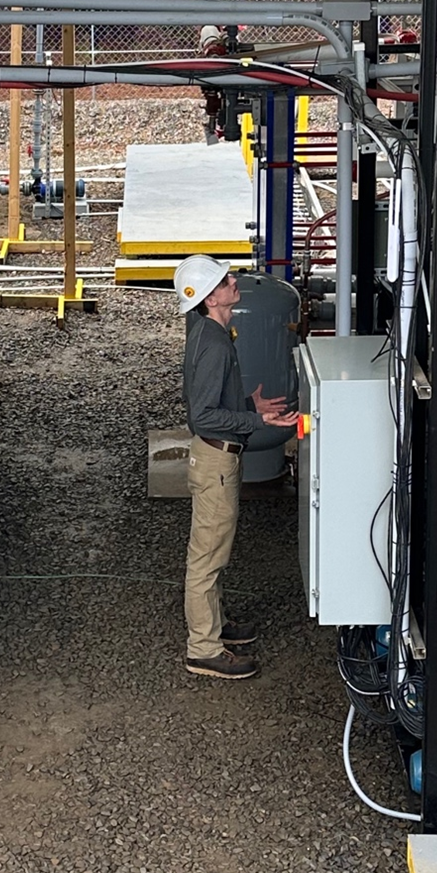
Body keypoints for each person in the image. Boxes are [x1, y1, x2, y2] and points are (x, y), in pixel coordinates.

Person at [174, 255, 299, 679]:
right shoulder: (212, 342)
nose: (233, 282)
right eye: (224, 281)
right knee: (206, 557)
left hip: (220, 458)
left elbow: (211, 405)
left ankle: (215, 625)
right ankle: (203, 649)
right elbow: (202, 416)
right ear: (210, 298)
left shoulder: (211, 331)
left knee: (215, 550)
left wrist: (249, 405)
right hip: (215, 460)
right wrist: (257, 420)